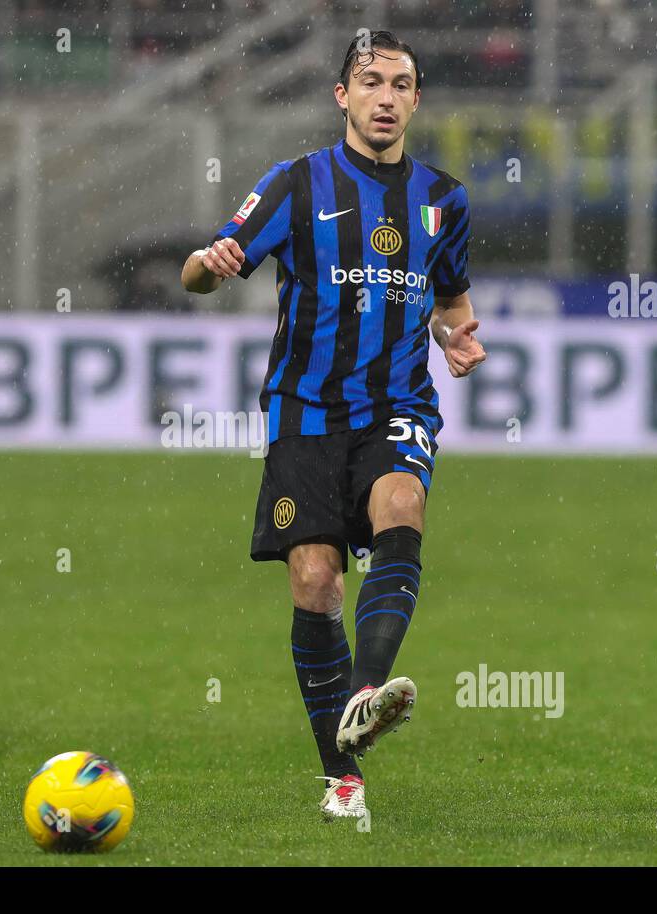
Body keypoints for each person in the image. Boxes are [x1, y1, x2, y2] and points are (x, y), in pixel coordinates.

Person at [179, 30, 487, 820]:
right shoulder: (294, 184)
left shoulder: (442, 199)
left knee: (403, 507)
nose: (386, 97)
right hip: (305, 415)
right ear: (341, 96)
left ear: (417, 100)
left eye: (402, 84)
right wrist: (207, 268)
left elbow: (451, 296)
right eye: (371, 82)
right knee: (316, 584)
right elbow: (200, 271)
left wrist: (460, 334)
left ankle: (367, 690)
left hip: (397, 405)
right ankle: (343, 777)